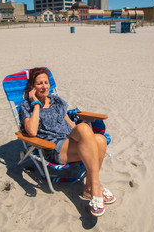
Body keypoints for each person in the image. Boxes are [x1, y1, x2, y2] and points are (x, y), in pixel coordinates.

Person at [20, 67, 116, 217]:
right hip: (55, 147)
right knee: (86, 130)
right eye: (39, 83)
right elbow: (32, 131)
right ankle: (96, 189)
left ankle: (89, 188)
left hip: (70, 138)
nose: (44, 86)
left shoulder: (56, 101)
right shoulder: (27, 106)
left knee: (100, 139)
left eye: (46, 82)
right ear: (32, 87)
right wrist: (36, 104)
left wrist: (82, 133)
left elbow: (69, 123)